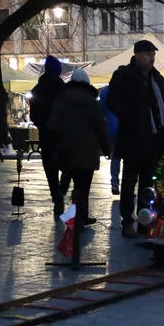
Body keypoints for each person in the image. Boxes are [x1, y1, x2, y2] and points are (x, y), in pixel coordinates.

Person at [106, 39, 164, 238]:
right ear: (137, 55)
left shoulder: (157, 77)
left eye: (153, 55)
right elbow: (112, 101)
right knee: (130, 180)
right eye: (147, 54)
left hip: (155, 138)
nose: (151, 58)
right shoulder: (124, 76)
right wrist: (130, 117)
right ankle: (127, 220)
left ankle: (145, 220)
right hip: (133, 136)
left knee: (148, 181)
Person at [48, 69, 110, 230]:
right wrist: (107, 148)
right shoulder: (91, 102)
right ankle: (81, 217)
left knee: (74, 182)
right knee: (84, 186)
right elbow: (100, 127)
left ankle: (74, 214)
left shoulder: (62, 100)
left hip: (67, 150)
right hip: (88, 151)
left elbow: (53, 126)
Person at [28, 55, 71, 218]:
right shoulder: (63, 89)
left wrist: (43, 126)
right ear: (58, 70)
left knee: (50, 170)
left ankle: (56, 198)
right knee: (67, 167)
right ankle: (62, 190)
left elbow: (33, 116)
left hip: (46, 137)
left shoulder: (37, 89)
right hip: (62, 137)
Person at [98, 85, 120, 195]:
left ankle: (115, 184)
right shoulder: (125, 90)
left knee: (115, 158)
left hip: (110, 128)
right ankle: (126, 185)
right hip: (124, 129)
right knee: (128, 159)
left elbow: (100, 111)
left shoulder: (105, 92)